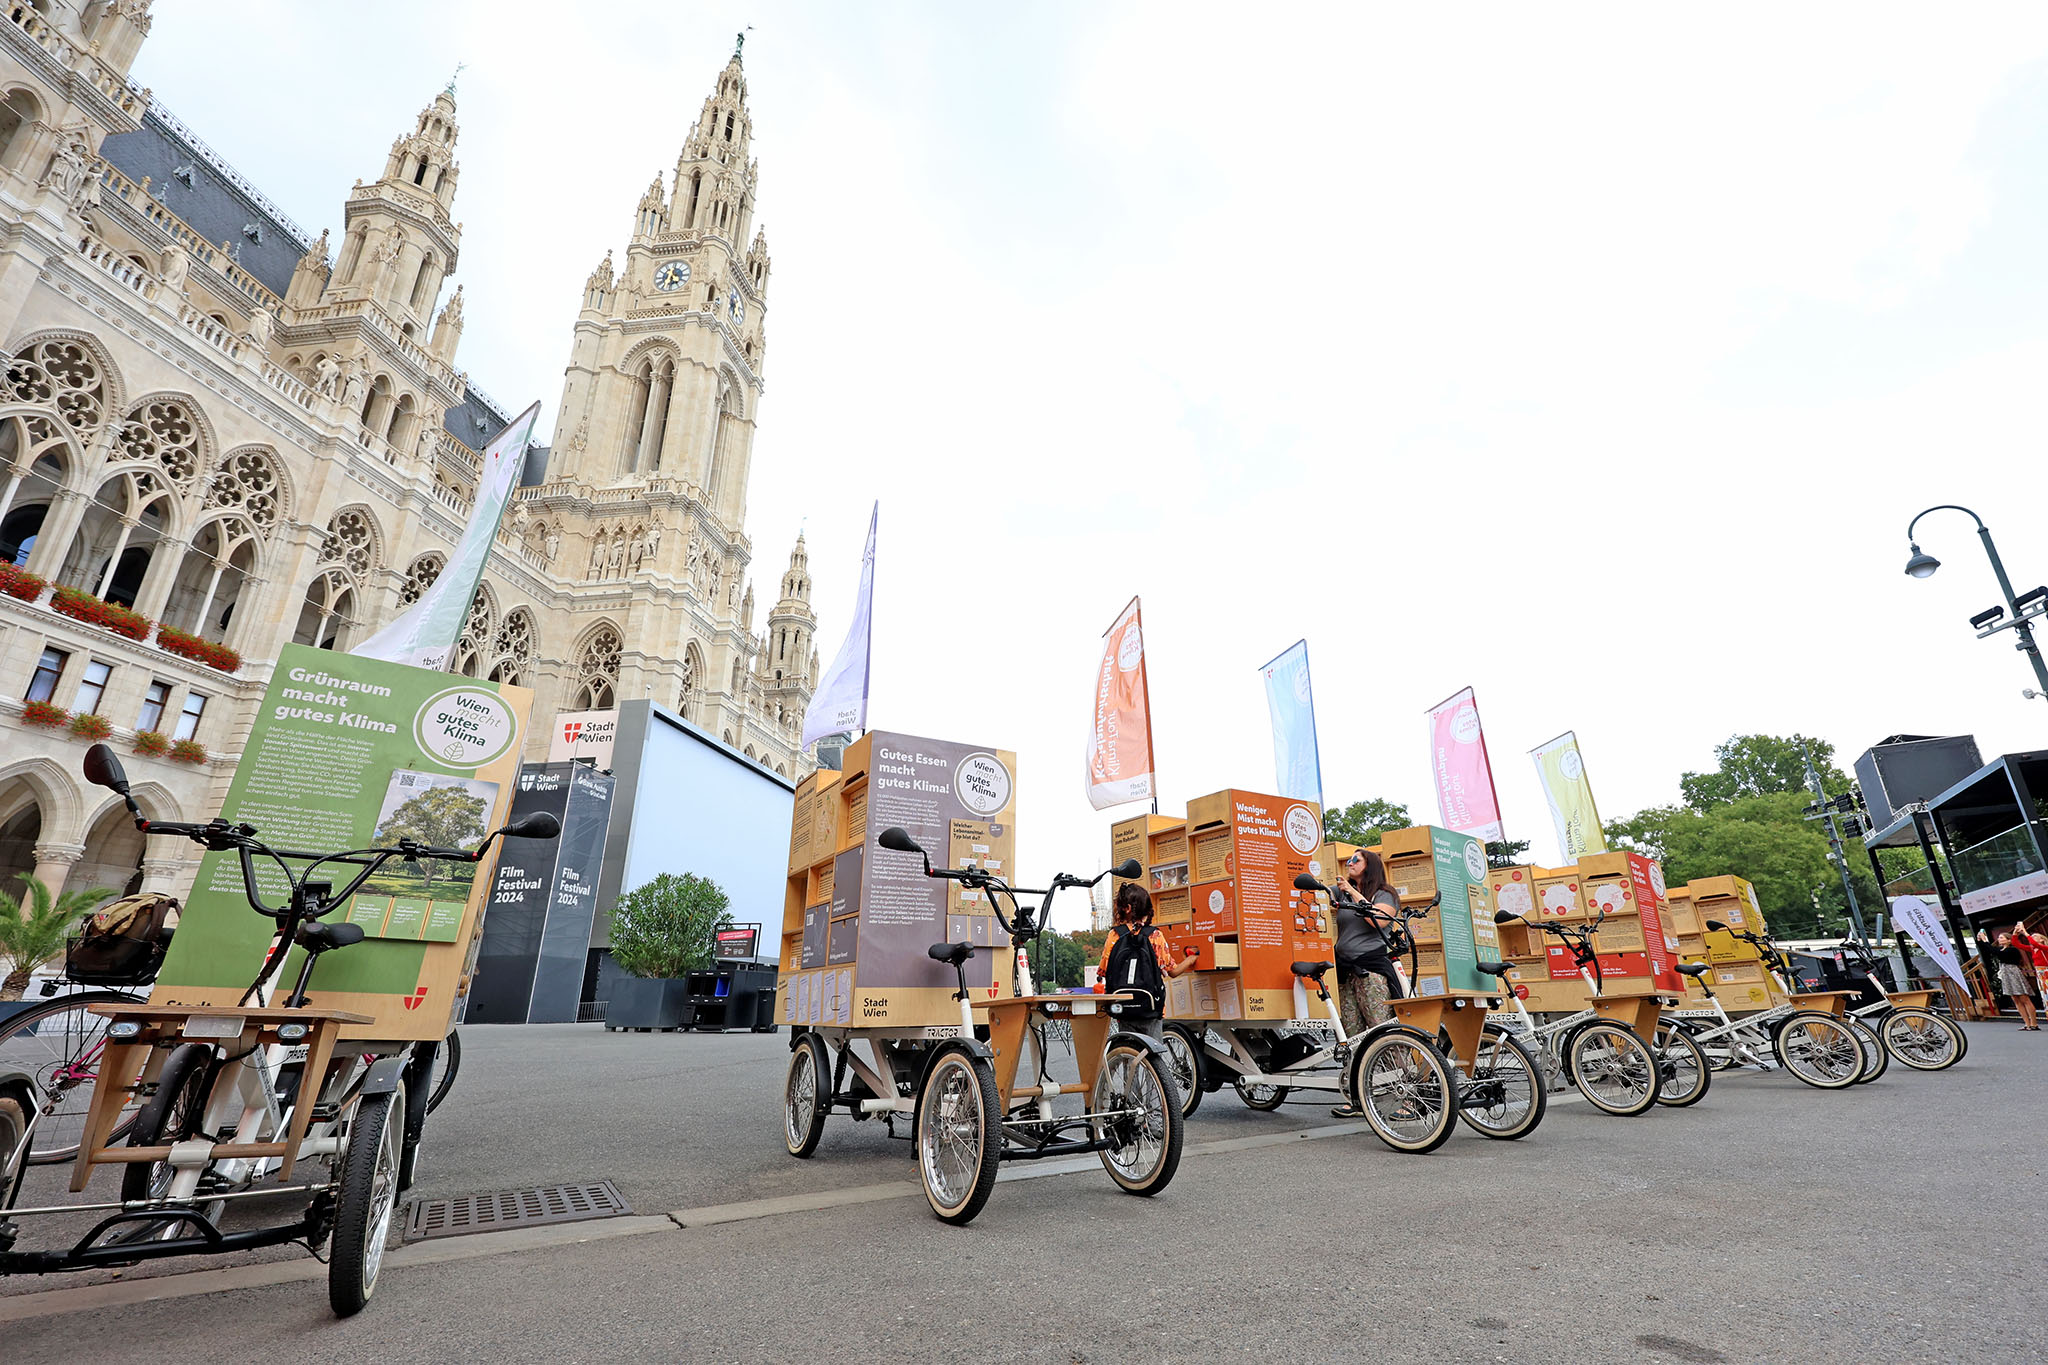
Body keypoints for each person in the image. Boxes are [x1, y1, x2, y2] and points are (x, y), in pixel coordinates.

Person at [1328, 848, 1406, 1116]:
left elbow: (1379, 921)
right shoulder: (1341, 891)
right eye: (1348, 860)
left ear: (1369, 866)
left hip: (1371, 970)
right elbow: (1318, 894)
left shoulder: (1385, 894)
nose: (1349, 863)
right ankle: (1358, 1097)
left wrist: (1351, 891)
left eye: (1355, 860)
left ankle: (1410, 1097)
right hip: (1346, 971)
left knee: (1382, 1030)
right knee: (1351, 1034)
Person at [1099, 883, 1197, 1040]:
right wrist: (1192, 958)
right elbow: (1173, 971)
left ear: (1127, 908)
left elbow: (1104, 971)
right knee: (1154, 1052)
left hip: (1122, 1007)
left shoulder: (1114, 935)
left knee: (1128, 1051)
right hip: (1150, 1008)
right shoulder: (1155, 935)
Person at [1978, 926, 2040, 1030]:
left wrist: (1985, 940)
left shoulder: (2012, 950)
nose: (1999, 939)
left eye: (2002, 937)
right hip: (2005, 973)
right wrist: (1983, 941)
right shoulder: (2001, 949)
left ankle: (2034, 1023)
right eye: (1999, 937)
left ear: (2009, 940)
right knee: (2015, 999)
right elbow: (1990, 950)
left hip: (2013, 972)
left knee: (2024, 998)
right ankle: (2027, 1023)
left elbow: (1996, 952)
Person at [2009, 922, 2048, 1024]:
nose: (2033, 937)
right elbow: (2016, 944)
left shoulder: (2044, 948)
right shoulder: (2033, 949)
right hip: (2040, 974)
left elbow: (2035, 943)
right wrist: (2015, 932)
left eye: (2036, 936)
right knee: (2045, 996)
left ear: (2042, 940)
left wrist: (2025, 933)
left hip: (2046, 972)